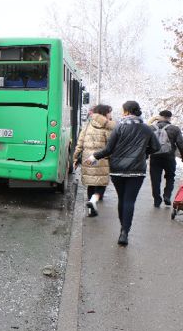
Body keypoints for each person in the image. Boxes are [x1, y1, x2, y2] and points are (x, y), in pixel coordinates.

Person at [88, 100, 160, 246]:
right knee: (129, 201)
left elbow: (108, 149)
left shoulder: (119, 127)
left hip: (117, 170)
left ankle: (123, 228)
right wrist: (143, 154)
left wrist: (94, 156)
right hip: (137, 172)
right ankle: (124, 232)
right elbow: (156, 147)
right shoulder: (146, 129)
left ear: (126, 111)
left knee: (122, 199)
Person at [73, 104, 116, 217]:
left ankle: (91, 209)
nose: (110, 114)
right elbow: (111, 146)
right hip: (102, 159)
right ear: (104, 113)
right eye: (109, 112)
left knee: (91, 184)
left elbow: (80, 143)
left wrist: (75, 156)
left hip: (88, 159)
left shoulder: (87, 125)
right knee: (100, 185)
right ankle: (93, 201)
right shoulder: (108, 127)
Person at [147, 110, 183, 207]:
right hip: (169, 157)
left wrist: (146, 155)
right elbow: (180, 144)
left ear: (160, 117)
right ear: (170, 118)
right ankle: (167, 195)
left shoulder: (151, 128)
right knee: (170, 177)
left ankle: (157, 200)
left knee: (155, 179)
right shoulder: (175, 129)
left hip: (155, 156)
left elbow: (146, 143)